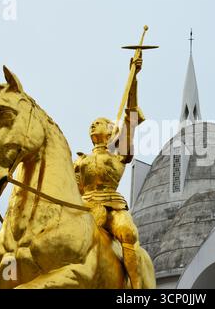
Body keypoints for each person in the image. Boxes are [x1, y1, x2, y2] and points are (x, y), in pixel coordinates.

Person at [73, 57, 145, 288]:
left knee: (127, 232)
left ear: (110, 130)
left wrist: (133, 78)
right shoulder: (80, 161)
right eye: (91, 124)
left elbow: (131, 115)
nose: (92, 125)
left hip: (112, 207)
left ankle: (135, 286)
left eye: (99, 123)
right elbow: (73, 190)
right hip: (85, 206)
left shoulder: (118, 155)